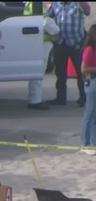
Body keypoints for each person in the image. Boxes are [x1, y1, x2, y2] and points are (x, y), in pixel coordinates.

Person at [47, 1, 91, 107]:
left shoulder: (77, 3)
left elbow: (87, 11)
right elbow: (48, 18)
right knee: (60, 73)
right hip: (60, 43)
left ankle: (84, 98)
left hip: (77, 44)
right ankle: (61, 98)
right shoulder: (56, 4)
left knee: (81, 74)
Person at [24, 1, 52, 110]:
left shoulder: (31, 4)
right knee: (38, 72)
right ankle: (35, 101)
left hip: (37, 41)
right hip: (41, 41)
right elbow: (44, 22)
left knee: (36, 73)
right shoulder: (36, 4)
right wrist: (56, 32)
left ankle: (34, 98)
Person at [79, 25, 96, 154]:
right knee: (89, 113)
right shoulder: (90, 49)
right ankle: (85, 143)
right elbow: (84, 69)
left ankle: (93, 142)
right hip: (92, 82)